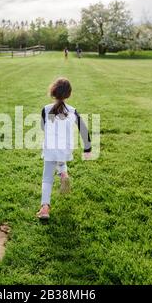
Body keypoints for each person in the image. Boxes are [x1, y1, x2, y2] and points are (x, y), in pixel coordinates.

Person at [37, 78, 92, 220]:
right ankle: (63, 173)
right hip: (65, 149)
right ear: (69, 94)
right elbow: (83, 130)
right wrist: (87, 149)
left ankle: (44, 208)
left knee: (47, 178)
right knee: (60, 157)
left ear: (53, 92)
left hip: (50, 149)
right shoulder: (73, 111)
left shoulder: (45, 109)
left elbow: (43, 127)